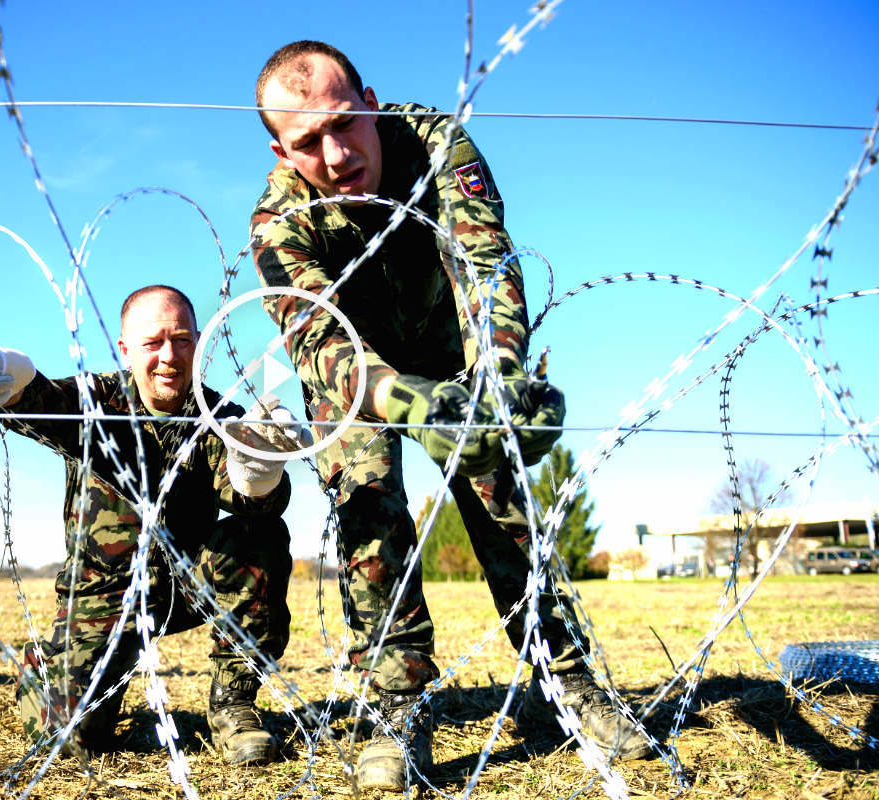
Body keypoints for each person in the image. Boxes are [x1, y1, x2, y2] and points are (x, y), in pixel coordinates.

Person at [249, 42, 650, 790]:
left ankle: (570, 682)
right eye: (308, 141)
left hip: (452, 347)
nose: (336, 155)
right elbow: (315, 337)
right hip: (356, 377)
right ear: (281, 149)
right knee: (369, 514)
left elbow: (485, 258)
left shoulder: (433, 141)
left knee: (504, 506)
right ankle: (395, 706)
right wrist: (404, 400)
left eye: (345, 124)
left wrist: (498, 383)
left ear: (369, 100)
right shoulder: (278, 220)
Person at [0, 285, 303, 766]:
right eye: (153, 343)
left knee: (260, 535)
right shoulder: (98, 399)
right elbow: (43, 405)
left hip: (184, 587)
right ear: (126, 350)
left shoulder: (221, 417)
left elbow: (254, 503)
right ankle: (61, 666)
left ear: (199, 342)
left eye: (183, 340)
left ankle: (233, 705)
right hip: (103, 597)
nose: (169, 356)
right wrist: (5, 369)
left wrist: (259, 470)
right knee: (69, 740)